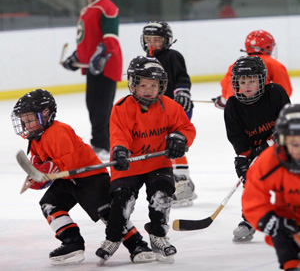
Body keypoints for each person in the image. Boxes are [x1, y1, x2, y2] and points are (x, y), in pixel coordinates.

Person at [11, 89, 155, 266]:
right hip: (67, 181)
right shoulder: (34, 141)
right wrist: (35, 178)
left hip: (90, 178)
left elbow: (67, 162)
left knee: (109, 214)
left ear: (46, 114)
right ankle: (72, 243)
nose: (26, 125)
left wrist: (44, 170)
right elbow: (40, 168)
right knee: (50, 205)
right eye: (24, 121)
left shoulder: (59, 131)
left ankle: (137, 245)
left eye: (30, 119)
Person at [95, 56, 196, 264]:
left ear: (162, 85)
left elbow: (186, 128)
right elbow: (118, 135)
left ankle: (158, 236)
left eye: (153, 85)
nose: (148, 89)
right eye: (142, 85)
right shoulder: (122, 107)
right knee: (122, 200)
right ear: (133, 84)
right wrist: (120, 151)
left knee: (162, 194)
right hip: (128, 165)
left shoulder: (170, 106)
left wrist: (180, 138)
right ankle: (113, 238)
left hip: (158, 164)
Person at [224, 56, 290, 242]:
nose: (247, 86)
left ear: (262, 79)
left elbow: (288, 120)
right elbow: (237, 138)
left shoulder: (275, 92)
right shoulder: (233, 106)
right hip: (256, 153)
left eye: (252, 80)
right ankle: (250, 218)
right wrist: (243, 158)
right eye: (242, 81)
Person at [62, 0, 122, 161]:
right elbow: (87, 40)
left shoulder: (106, 7)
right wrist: (75, 57)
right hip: (92, 66)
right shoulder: (88, 8)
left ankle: (103, 145)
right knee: (93, 106)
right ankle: (100, 143)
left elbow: (111, 38)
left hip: (106, 65)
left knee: (101, 107)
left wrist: (101, 56)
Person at [140, 21, 196, 207]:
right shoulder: (144, 61)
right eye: (149, 40)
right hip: (158, 111)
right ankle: (182, 179)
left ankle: (183, 181)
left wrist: (182, 91)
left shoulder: (173, 56)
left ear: (167, 40)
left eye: (157, 40)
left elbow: (182, 77)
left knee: (175, 142)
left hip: (177, 109)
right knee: (164, 146)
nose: (153, 44)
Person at [242, 103, 300, 271]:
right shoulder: (269, 161)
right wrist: (271, 222)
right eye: (293, 143)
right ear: (281, 140)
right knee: (278, 224)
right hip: (290, 217)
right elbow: (253, 199)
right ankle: (291, 265)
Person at [213, 29, 292, 109]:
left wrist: (221, 101)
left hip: (237, 109)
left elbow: (225, 92)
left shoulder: (237, 64)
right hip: (263, 110)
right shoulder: (274, 64)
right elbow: (285, 92)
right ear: (267, 46)